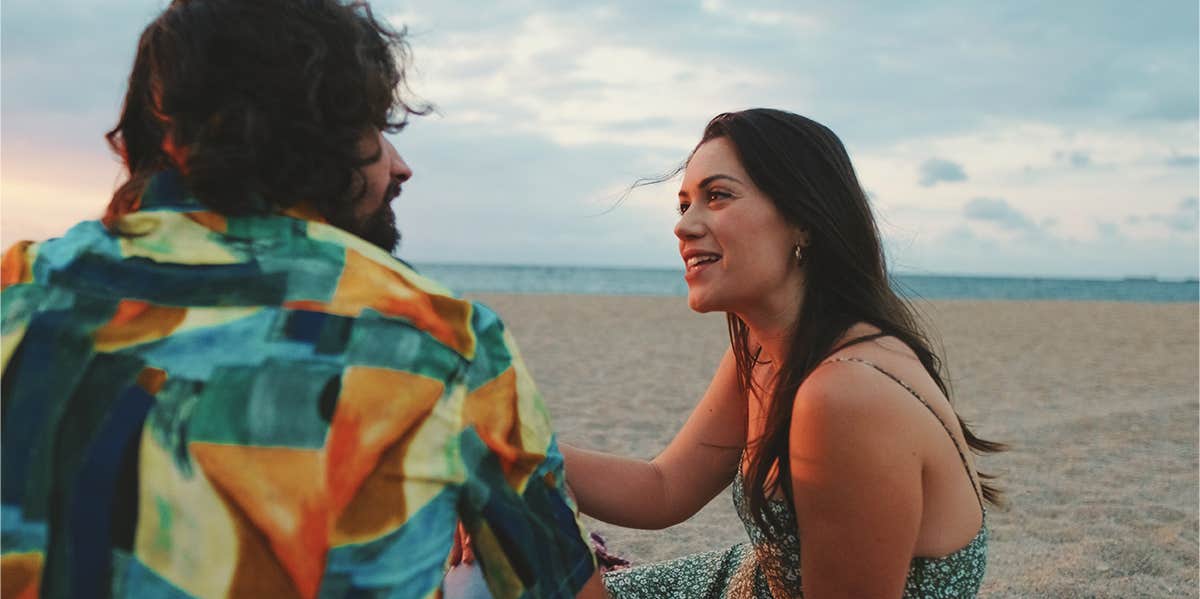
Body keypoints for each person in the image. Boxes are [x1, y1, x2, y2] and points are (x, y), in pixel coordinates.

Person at [0, 1, 604, 597]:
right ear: (323, 130)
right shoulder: (440, 335)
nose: (403, 167)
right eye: (375, 126)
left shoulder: (19, 287)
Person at [562, 108, 1005, 598]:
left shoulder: (847, 394)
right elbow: (663, 488)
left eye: (718, 196)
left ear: (802, 220)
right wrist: (508, 460)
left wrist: (538, 531)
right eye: (684, 204)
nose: (684, 226)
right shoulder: (764, 347)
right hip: (744, 581)